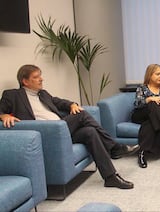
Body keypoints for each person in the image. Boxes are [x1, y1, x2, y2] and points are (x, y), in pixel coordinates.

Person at [0, 64, 139, 189]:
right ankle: (114, 147)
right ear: (25, 81)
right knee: (82, 115)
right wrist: (3, 116)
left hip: (61, 130)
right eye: (36, 77)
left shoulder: (43, 94)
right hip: (47, 134)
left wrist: (72, 104)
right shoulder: (12, 95)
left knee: (90, 131)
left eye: (40, 76)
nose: (41, 79)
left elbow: (59, 102)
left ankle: (110, 177)